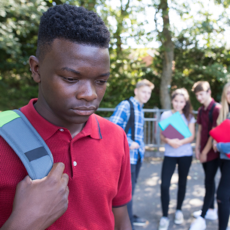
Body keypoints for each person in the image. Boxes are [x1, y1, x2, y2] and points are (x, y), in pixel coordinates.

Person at [0, 4, 132, 230]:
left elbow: (120, 218)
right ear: (36, 69)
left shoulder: (115, 136)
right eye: (71, 79)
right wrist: (24, 222)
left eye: (101, 81)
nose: (90, 94)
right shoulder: (3, 137)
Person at [110, 79, 154, 229]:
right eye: (144, 91)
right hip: (126, 157)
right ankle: (126, 224)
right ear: (136, 91)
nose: (146, 95)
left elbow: (137, 133)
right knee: (125, 192)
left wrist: (142, 147)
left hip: (136, 157)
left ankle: (128, 217)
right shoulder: (126, 105)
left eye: (149, 93)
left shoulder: (140, 108)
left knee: (129, 191)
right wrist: (129, 143)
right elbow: (113, 128)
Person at [158, 88, 195, 230]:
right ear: (172, 101)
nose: (178, 104)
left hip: (185, 154)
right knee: (165, 185)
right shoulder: (165, 115)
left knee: (182, 183)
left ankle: (179, 210)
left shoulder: (189, 116)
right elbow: (162, 135)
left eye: (182, 101)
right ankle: (164, 216)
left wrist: (178, 142)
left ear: (185, 103)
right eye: (176, 101)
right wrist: (169, 142)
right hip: (170, 154)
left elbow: (191, 136)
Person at [189, 81, 221, 230]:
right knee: (210, 182)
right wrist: (197, 148)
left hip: (213, 153)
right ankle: (212, 210)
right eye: (197, 95)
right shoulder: (201, 110)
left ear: (209, 92)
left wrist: (204, 152)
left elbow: (213, 134)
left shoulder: (217, 109)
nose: (199, 97)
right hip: (202, 151)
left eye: (201, 94)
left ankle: (202, 217)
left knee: (209, 183)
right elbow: (200, 130)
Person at [213, 82, 230, 230]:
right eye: (229, 93)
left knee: (222, 197)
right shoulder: (224, 113)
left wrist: (218, 146)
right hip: (224, 160)